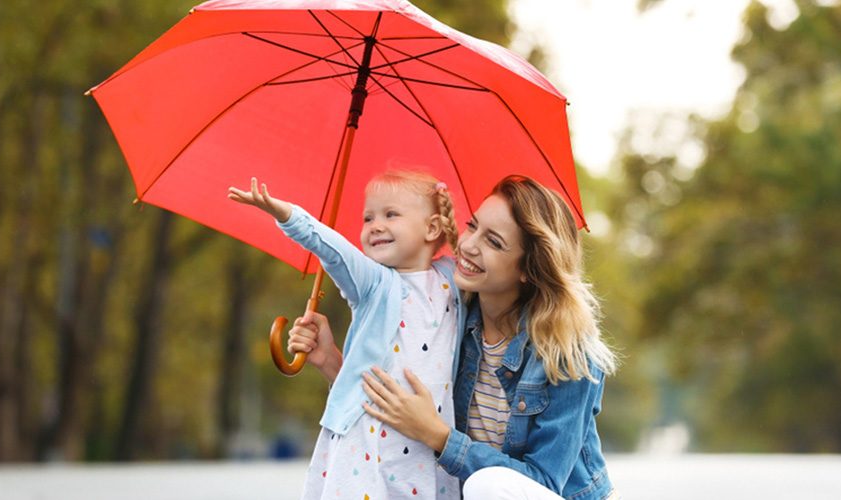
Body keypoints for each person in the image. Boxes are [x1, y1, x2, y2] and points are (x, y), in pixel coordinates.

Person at [290, 175, 618, 500]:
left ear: (528, 269)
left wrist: (439, 436)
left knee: (486, 485)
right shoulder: (450, 315)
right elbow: (400, 402)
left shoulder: (570, 353)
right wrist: (332, 362)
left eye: (494, 242)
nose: (468, 245)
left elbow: (544, 483)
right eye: (472, 226)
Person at [228, 171, 463, 499]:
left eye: (390, 214)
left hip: (425, 445)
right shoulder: (374, 283)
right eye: (368, 217)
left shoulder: (451, 279)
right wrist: (286, 214)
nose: (375, 225)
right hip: (369, 441)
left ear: (432, 228)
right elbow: (334, 251)